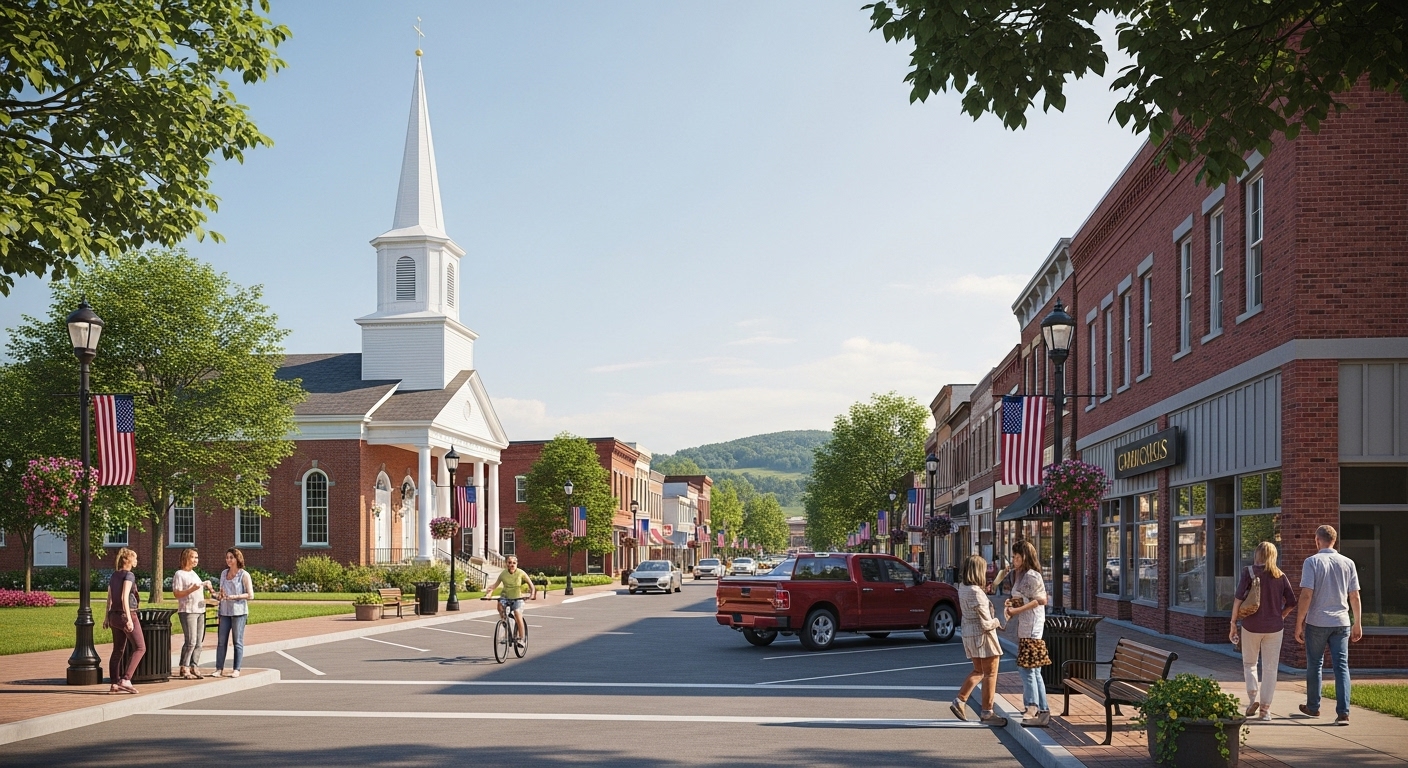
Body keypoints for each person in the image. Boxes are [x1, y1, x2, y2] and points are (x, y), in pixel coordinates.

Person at [1295, 525, 1362, 725]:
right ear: (1334, 540)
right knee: (1341, 667)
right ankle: (1343, 712)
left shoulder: (1312, 562)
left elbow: (1307, 594)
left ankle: (1313, 707)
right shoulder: (1348, 563)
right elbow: (1355, 596)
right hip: (1342, 622)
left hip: (1317, 621)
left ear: (1317, 540)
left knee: (1315, 664)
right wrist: (1357, 623)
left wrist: (1298, 623)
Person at [1229, 541, 1296, 721]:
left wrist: (1233, 623)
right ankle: (1265, 710)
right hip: (1275, 627)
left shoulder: (1248, 572)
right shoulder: (1280, 576)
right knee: (1270, 669)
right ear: (1274, 556)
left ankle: (1252, 699)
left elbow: (1237, 600)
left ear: (1257, 554)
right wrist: (1281, 615)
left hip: (1251, 625)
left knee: (1249, 664)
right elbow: (1292, 602)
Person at [952, 554, 1007, 727]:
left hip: (969, 634)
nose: (986, 572)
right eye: (984, 569)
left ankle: (960, 700)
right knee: (990, 673)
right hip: (983, 637)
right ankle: (987, 712)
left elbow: (977, 599)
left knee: (978, 671)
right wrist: (999, 621)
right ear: (978, 571)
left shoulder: (963, 587)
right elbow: (986, 623)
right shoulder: (976, 593)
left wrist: (994, 585)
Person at [1004, 540, 1051, 728]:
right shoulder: (1021, 575)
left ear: (1025, 557)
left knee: (1027, 668)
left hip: (1032, 626)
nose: (1014, 560)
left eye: (1017, 557)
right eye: (1013, 557)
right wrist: (1011, 605)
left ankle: (1033, 706)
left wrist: (1015, 611)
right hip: (1026, 625)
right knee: (1034, 670)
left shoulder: (1031, 576)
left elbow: (1041, 600)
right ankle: (1042, 709)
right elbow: (1022, 599)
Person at [104, 547, 144, 694]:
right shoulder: (129, 575)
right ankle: (126, 679)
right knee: (140, 648)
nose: (136, 561)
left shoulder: (114, 575)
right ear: (127, 560)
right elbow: (123, 597)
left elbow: (109, 598)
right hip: (126, 614)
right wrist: (128, 618)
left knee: (118, 650)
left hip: (114, 616)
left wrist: (106, 617)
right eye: (135, 558)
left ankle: (114, 683)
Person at [172, 548, 212, 680]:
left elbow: (198, 591)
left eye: (197, 557)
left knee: (199, 642)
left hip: (200, 610)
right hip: (188, 611)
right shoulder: (180, 574)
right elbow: (177, 594)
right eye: (193, 557)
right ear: (186, 558)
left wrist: (206, 586)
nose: (196, 560)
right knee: (191, 641)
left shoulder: (194, 574)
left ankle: (194, 665)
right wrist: (191, 589)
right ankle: (184, 667)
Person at [214, 547, 254, 678]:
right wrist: (217, 594)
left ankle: (236, 668)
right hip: (225, 611)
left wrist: (234, 597)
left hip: (239, 612)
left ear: (237, 559)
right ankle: (219, 668)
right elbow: (221, 593)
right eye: (227, 557)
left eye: (231, 557)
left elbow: (250, 595)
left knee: (237, 641)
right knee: (221, 641)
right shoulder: (224, 573)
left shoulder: (244, 575)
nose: (228, 560)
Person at [483, 556, 535, 647]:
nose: (511, 565)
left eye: (513, 563)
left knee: (517, 613)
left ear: (517, 564)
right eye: (509, 562)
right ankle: (504, 624)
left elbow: (531, 585)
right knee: (499, 604)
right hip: (505, 597)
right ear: (506, 564)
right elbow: (494, 586)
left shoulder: (521, 573)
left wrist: (532, 595)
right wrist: (488, 595)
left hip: (517, 598)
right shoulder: (503, 574)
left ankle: (522, 638)